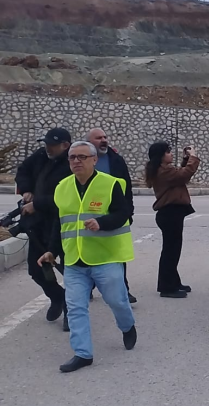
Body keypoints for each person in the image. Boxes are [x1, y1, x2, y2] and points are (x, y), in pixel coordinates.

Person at [37, 141, 136, 373]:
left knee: (117, 301)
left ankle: (127, 326)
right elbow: (59, 223)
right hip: (74, 260)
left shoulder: (110, 184)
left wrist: (101, 223)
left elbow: (124, 213)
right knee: (75, 307)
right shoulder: (62, 187)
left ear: (94, 160)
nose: (76, 161)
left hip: (106, 257)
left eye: (82, 157)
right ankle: (83, 353)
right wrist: (52, 250)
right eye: (72, 157)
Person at [15, 128, 72, 331]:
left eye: (52, 144)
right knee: (37, 268)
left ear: (65, 145)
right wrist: (27, 189)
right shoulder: (41, 156)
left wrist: (37, 203)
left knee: (70, 272)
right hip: (39, 225)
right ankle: (58, 297)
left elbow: (67, 199)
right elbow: (23, 171)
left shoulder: (72, 163)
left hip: (63, 225)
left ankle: (71, 312)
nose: (48, 147)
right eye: (46, 143)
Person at [87, 128, 137, 303]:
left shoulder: (116, 160)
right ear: (89, 142)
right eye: (99, 138)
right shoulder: (81, 161)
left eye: (105, 137)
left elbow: (127, 188)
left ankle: (124, 290)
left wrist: (128, 212)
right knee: (89, 253)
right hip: (89, 216)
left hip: (115, 215)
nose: (104, 140)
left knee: (118, 254)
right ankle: (87, 288)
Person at [145, 142, 200, 298]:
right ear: (161, 156)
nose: (171, 154)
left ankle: (173, 281)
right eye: (168, 152)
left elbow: (179, 175)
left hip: (171, 214)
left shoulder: (164, 170)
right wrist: (193, 157)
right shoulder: (162, 171)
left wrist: (185, 160)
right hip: (169, 214)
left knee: (173, 251)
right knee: (170, 252)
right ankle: (167, 287)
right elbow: (183, 175)